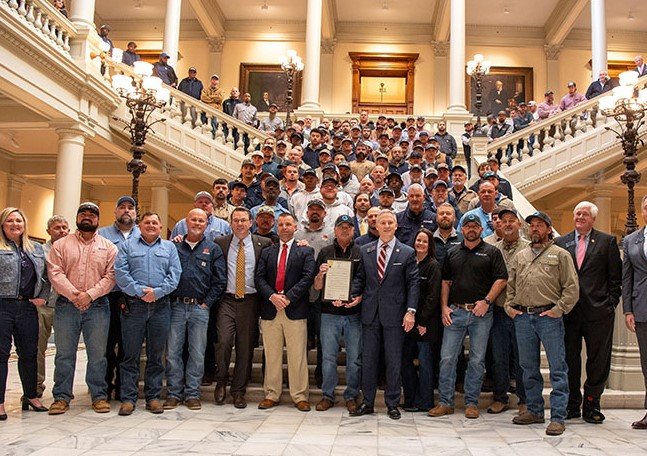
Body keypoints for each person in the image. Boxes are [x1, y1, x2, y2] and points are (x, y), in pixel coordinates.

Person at [505, 211, 579, 436]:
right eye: (532, 225)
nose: (534, 228)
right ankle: (535, 410)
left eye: (539, 225)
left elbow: (571, 287)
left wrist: (559, 310)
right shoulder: (521, 256)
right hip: (523, 318)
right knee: (528, 367)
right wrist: (509, 306)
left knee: (558, 369)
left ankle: (557, 416)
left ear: (548, 229)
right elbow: (511, 284)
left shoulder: (561, 255)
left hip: (549, 318)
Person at [429, 213, 507, 419]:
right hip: (455, 312)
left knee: (477, 360)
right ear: (461, 230)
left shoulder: (492, 252)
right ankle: (445, 402)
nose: (471, 229)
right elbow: (445, 281)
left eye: (475, 226)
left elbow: (501, 280)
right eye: (467, 226)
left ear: (481, 230)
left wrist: (487, 301)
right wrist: (444, 307)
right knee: (447, 358)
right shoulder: (452, 252)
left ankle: (471, 402)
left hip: (481, 314)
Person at [47, 203, 118, 415]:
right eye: (83, 214)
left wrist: (90, 295)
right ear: (77, 218)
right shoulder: (61, 245)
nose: (87, 217)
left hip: (97, 307)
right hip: (67, 306)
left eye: (92, 215)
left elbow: (111, 276)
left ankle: (98, 396)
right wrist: (75, 295)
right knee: (64, 354)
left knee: (97, 355)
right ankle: (61, 396)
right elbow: (55, 273)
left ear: (98, 219)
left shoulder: (109, 247)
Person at [555, 201, 621, 423]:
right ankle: (572, 404)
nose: (580, 217)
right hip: (569, 313)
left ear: (593, 218)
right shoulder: (560, 243)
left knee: (598, 360)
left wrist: (610, 303)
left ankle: (592, 404)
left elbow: (615, 279)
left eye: (585, 214)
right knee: (569, 359)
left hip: (599, 313)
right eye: (577, 213)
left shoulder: (607, 242)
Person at [350, 210, 419, 420]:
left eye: (390, 222)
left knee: (393, 360)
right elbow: (360, 279)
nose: (387, 226)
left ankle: (392, 403)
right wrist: (352, 294)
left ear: (396, 226)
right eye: (383, 223)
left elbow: (413, 284)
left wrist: (411, 311)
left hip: (396, 315)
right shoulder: (365, 250)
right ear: (376, 226)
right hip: (370, 314)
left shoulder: (407, 252)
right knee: (369, 361)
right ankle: (368, 402)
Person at [114, 212, 182, 416]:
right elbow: (121, 272)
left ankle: (153, 397)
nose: (151, 225)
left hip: (161, 306)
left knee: (155, 355)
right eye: (147, 222)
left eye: (155, 222)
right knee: (130, 354)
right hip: (134, 305)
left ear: (160, 226)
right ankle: (128, 398)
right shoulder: (127, 246)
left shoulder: (169, 247)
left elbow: (175, 274)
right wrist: (139, 292)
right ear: (139, 225)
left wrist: (157, 293)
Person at [165, 208, 226, 411]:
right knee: (173, 352)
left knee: (197, 353)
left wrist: (207, 303)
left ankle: (192, 393)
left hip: (200, 308)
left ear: (207, 224)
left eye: (201, 220)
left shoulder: (213, 249)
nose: (197, 223)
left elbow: (219, 281)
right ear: (186, 222)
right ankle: (174, 393)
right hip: (176, 306)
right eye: (194, 220)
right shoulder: (173, 247)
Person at [255, 213, 316, 411]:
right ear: (276, 227)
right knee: (271, 355)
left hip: (295, 308)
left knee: (297, 355)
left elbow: (307, 278)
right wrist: (273, 296)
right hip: (271, 308)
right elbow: (259, 278)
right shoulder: (267, 251)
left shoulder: (305, 251)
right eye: (280, 224)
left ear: (295, 227)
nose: (284, 227)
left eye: (288, 224)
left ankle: (299, 396)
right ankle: (271, 394)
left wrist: (288, 297)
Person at [213, 208, 272, 408]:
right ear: (231, 223)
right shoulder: (220, 243)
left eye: (243, 220)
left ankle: (238, 391)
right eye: (236, 220)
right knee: (223, 341)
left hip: (250, 301)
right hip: (227, 300)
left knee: (245, 347)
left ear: (251, 222)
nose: (240, 224)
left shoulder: (263, 244)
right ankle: (221, 380)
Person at [0, 208, 50, 420]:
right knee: (1, 356)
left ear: (24, 224)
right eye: (10, 220)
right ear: (2, 224)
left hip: (27, 307)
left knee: (29, 354)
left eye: (19, 220)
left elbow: (47, 276)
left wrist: (44, 297)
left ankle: (31, 395)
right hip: (2, 306)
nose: (15, 224)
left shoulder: (36, 249)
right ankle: (0, 403)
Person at [313, 215, 362, 414]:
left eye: (348, 227)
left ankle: (351, 395)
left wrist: (356, 297)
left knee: (354, 358)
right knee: (328, 357)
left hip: (353, 313)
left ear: (353, 230)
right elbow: (316, 286)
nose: (344, 230)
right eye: (341, 227)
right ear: (335, 230)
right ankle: (327, 395)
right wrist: (321, 275)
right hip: (329, 313)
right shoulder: (325, 252)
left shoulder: (361, 252)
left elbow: (363, 280)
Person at [98, 196, 140, 402]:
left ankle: (125, 389)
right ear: (115, 212)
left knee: (128, 346)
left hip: (134, 298)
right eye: (122, 207)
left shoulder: (144, 234)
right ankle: (104, 388)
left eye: (130, 208)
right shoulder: (102, 235)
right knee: (106, 345)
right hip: (108, 297)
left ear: (136, 213)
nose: (126, 211)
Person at [489, 208, 529, 415]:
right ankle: (500, 397)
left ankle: (524, 399)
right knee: (499, 357)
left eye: (511, 221)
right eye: (503, 221)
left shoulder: (529, 249)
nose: (507, 224)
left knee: (523, 357)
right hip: (497, 310)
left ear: (519, 224)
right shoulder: (492, 248)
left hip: (520, 311)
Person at [401, 228, 442, 412]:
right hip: (407, 323)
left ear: (430, 245)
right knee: (406, 362)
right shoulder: (409, 263)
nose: (420, 244)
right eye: (418, 240)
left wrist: (422, 322)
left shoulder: (433, 265)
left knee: (425, 363)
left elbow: (433, 297)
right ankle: (410, 400)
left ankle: (425, 402)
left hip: (426, 324)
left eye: (425, 241)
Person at [37, 215, 69, 398]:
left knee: (64, 350)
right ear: (49, 231)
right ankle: (36, 385)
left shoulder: (73, 250)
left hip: (65, 306)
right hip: (43, 305)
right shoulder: (39, 251)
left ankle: (62, 390)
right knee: (38, 348)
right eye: (57, 227)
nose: (62, 231)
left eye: (65, 227)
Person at [622, 195, 647, 429]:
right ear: (642, 211)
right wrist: (627, 309)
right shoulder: (631, 240)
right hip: (642, 309)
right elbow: (627, 277)